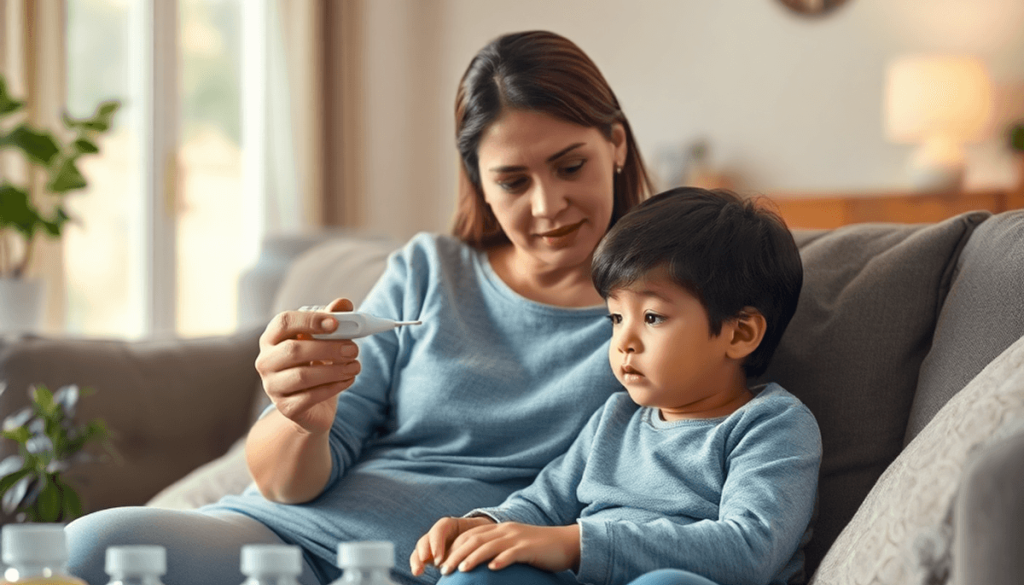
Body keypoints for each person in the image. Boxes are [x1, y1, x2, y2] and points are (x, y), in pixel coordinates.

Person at [65, 30, 654, 585]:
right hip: (290, 537)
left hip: (455, 567)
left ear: (617, 144)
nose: (548, 204)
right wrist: (302, 415)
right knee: (92, 545)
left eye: (570, 166)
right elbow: (286, 485)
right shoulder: (429, 271)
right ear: (478, 180)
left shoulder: (669, 307)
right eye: (512, 182)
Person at [408, 188, 822, 585]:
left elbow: (749, 550)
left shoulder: (772, 425)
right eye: (616, 318)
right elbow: (541, 505)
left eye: (654, 317)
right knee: (480, 570)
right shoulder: (615, 418)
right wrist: (484, 526)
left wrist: (578, 544)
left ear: (739, 333)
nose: (624, 341)